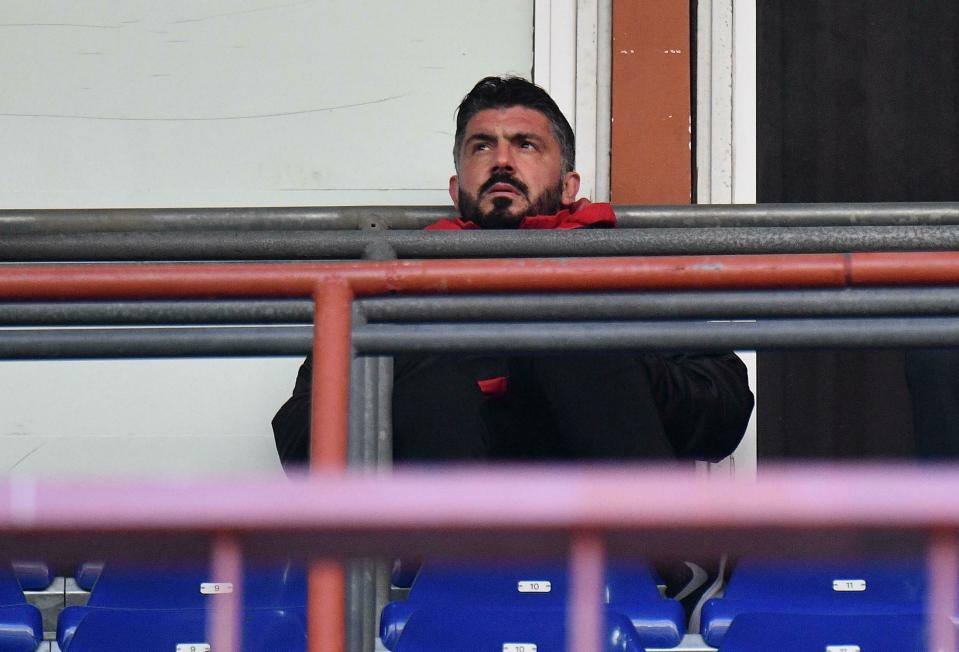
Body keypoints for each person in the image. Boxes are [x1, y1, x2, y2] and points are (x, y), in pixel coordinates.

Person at [272, 75, 754, 467]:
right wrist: (407, 377)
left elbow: (724, 413)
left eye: (525, 145)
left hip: (595, 531)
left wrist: (614, 368)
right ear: (456, 187)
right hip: (448, 530)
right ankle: (444, 576)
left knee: (568, 340)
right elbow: (300, 437)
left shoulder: (623, 266)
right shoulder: (396, 281)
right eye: (482, 146)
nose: (502, 161)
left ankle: (670, 552)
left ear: (569, 186)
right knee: (427, 370)